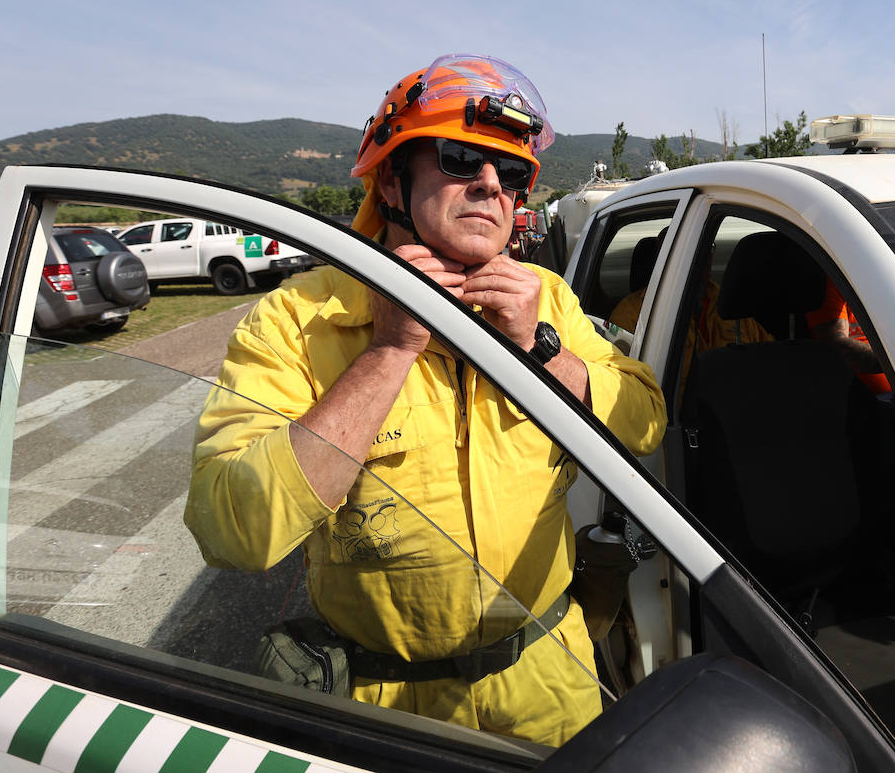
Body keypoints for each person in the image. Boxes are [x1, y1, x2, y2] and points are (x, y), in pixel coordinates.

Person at [185, 54, 667, 747]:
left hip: (548, 678)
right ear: (391, 180)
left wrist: (539, 346)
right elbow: (235, 532)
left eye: (514, 175)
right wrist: (388, 349)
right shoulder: (299, 318)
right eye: (461, 159)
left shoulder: (548, 299)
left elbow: (645, 422)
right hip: (383, 709)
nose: (492, 188)